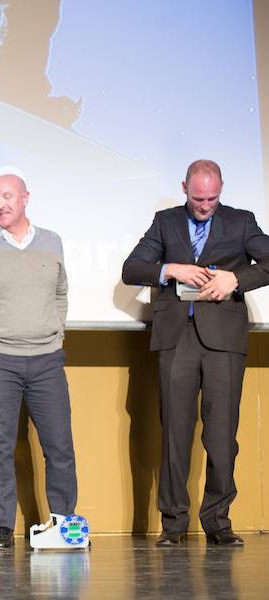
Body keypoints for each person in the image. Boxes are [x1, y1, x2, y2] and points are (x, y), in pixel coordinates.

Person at [122, 159, 269, 547]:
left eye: (212, 198)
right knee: (175, 433)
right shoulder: (165, 221)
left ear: (222, 189)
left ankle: (218, 522)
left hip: (223, 339)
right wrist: (171, 269)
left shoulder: (241, 222)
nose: (205, 205)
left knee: (222, 438)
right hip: (177, 337)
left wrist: (236, 279)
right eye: (198, 197)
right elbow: (131, 268)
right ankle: (173, 526)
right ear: (184, 187)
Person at [0, 173, 78, 549]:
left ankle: (64, 524)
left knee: (59, 446)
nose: (0, 204)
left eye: (7, 196)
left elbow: (61, 293)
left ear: (26, 198)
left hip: (46, 360)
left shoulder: (52, 242)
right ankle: (3, 528)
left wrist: (55, 333)